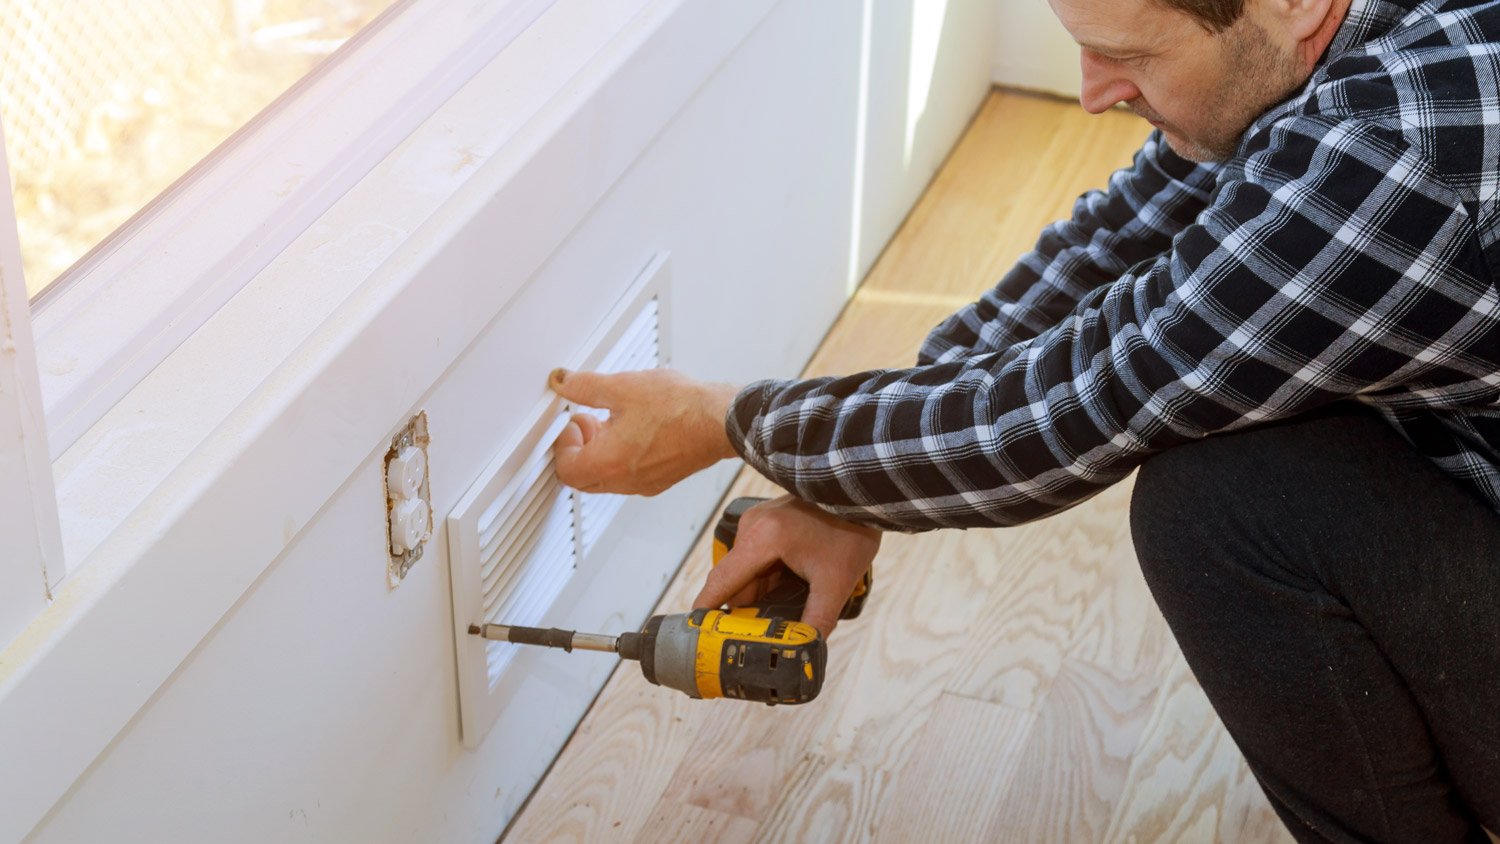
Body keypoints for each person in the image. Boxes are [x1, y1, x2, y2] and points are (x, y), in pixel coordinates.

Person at [546, 0, 1500, 839]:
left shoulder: (1388, 159)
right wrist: (844, 490)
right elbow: (1112, 246)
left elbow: (1064, 410)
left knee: (1221, 502)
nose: (1091, 92)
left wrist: (727, 420)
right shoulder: (1311, 54)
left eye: (1131, 54)